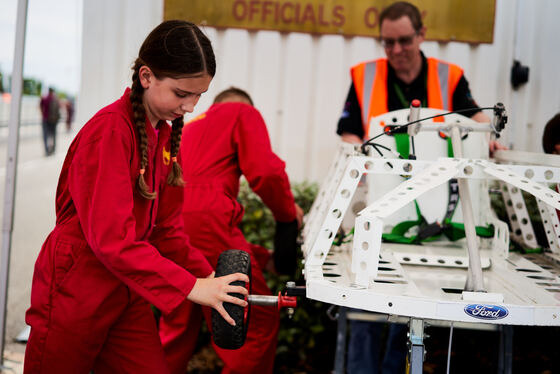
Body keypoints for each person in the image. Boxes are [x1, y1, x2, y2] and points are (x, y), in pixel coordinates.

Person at [24, 20, 250, 374]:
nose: (190, 107)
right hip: (76, 286)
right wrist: (192, 286)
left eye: (199, 96)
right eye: (181, 94)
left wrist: (211, 281)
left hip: (123, 290)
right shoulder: (111, 132)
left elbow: (166, 232)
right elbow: (111, 240)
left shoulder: (162, 136)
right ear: (147, 77)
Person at [336, 2, 500, 373]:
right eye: (387, 42)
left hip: (432, 211)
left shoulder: (449, 76)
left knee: (406, 303)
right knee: (366, 298)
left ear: (422, 35)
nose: (395, 51)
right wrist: (352, 158)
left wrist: (488, 137)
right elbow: (348, 129)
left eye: (404, 41)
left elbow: (475, 118)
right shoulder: (364, 75)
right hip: (378, 208)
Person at [158, 87, 303, 374]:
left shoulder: (185, 129)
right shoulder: (240, 111)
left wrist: (261, 257)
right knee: (255, 322)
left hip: (169, 227)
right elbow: (266, 173)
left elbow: (197, 229)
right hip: (205, 224)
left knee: (176, 325)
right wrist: (288, 216)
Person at [39, 87, 60, 156]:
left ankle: (47, 151)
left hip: (45, 119)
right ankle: (53, 150)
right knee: (53, 135)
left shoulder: (45, 98)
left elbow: (40, 107)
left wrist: (43, 114)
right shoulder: (56, 99)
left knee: (45, 136)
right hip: (54, 121)